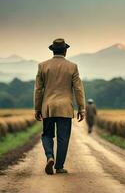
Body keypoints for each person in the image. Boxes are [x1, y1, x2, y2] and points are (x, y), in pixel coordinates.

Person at [34, 38, 86, 175]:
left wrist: (37, 108)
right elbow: (78, 89)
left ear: (53, 50)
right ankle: (59, 166)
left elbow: (38, 90)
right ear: (65, 50)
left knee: (47, 135)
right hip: (65, 108)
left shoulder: (42, 66)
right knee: (63, 138)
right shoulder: (72, 67)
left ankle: (50, 156)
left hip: (48, 107)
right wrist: (82, 108)